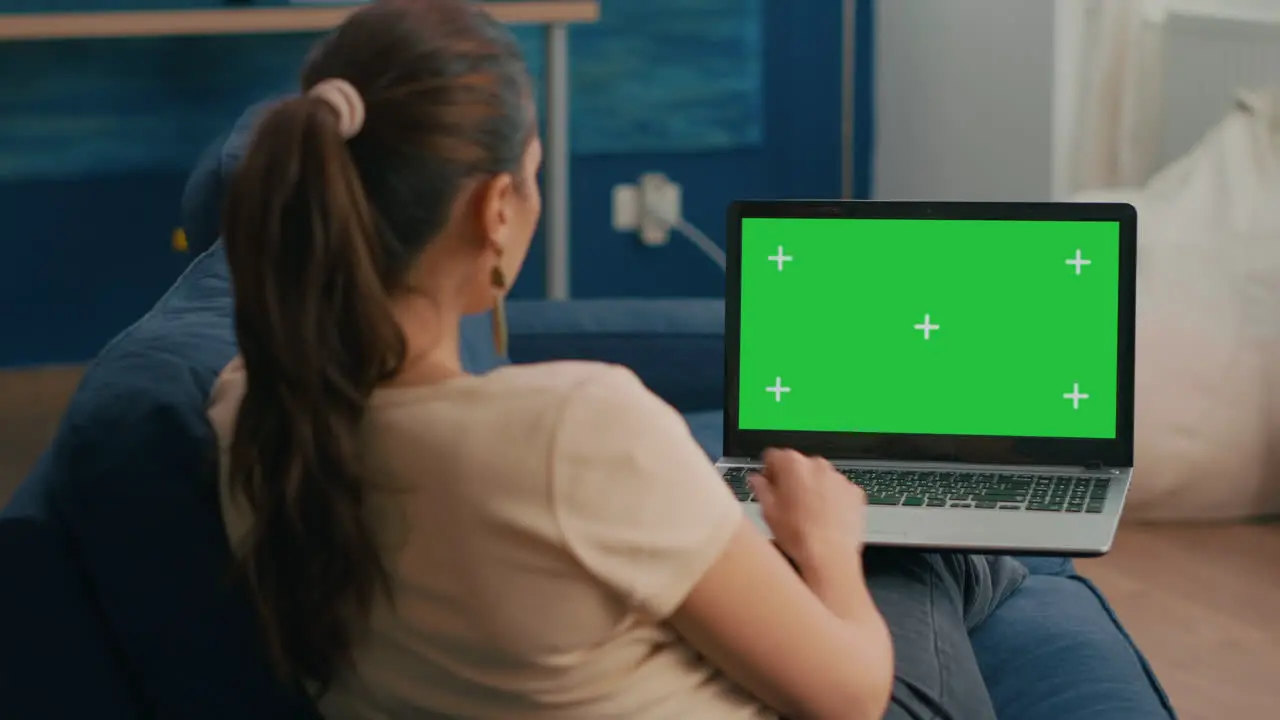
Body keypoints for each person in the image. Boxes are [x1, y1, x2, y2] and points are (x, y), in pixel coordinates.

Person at [208, 1, 1027, 718]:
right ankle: (990, 549)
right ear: (496, 211)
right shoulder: (576, 429)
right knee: (915, 554)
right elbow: (848, 699)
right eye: (531, 177)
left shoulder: (253, 412)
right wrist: (828, 546)